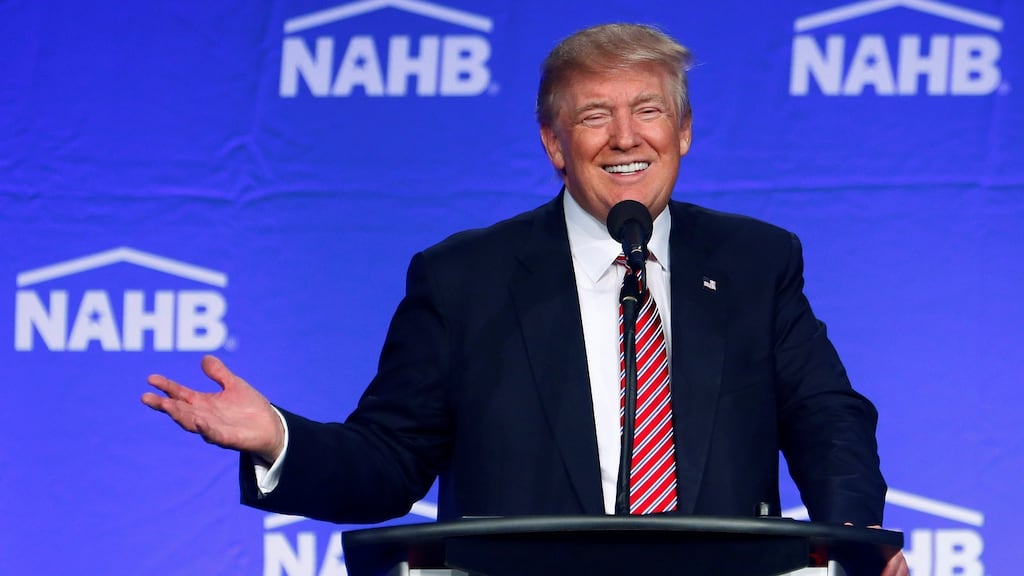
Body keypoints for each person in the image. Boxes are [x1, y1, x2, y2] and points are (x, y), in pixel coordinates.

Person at [143, 23, 907, 575]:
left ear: (683, 133)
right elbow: (390, 460)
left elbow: (825, 414)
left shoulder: (754, 259)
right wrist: (277, 437)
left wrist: (851, 540)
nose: (623, 136)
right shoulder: (464, 277)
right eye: (592, 116)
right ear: (553, 144)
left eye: (647, 110)